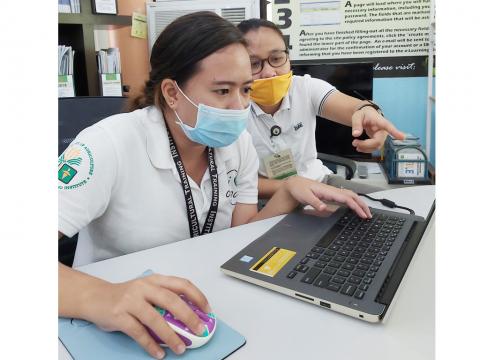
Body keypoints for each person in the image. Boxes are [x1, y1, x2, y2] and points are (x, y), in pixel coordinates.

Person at [58, 12, 372, 359]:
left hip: (202, 310)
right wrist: (101, 296)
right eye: (223, 90)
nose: (240, 107)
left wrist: (287, 191)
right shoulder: (107, 144)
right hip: (112, 325)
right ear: (172, 93)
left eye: (245, 90)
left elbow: (241, 234)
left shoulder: (237, 147)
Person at [237, 19, 406, 199]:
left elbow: (355, 108)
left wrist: (370, 113)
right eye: (254, 63)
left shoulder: (305, 88)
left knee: (393, 204)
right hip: (263, 198)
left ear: (288, 57)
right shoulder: (232, 108)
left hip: (321, 183)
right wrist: (291, 187)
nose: (270, 72)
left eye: (277, 58)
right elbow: (235, 184)